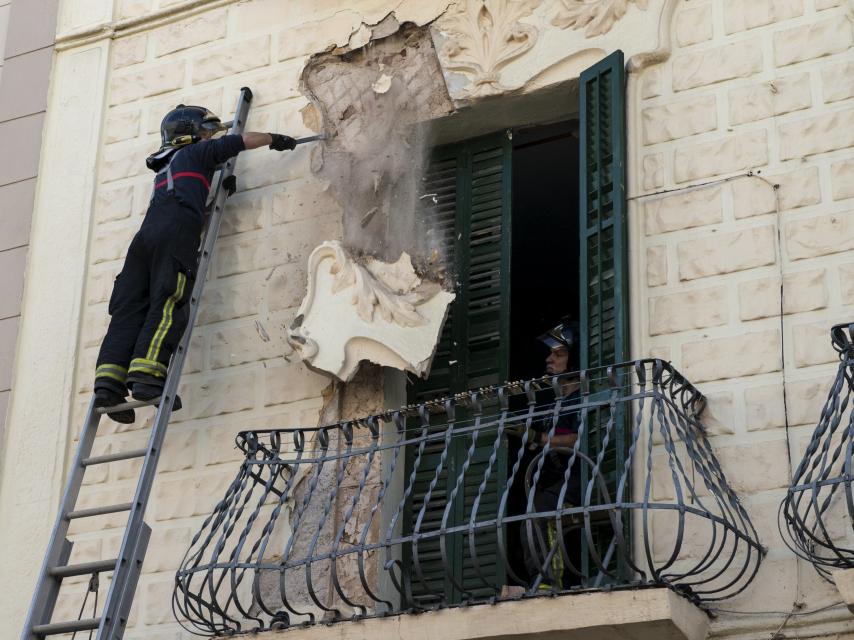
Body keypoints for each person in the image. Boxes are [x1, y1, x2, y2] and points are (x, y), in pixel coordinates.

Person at [94, 104, 298, 423]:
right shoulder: (197, 154)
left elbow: (181, 211)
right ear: (188, 134)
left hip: (144, 240)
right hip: (174, 232)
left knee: (128, 310)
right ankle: (147, 379)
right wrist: (274, 138)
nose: (208, 137)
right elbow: (235, 143)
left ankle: (107, 385)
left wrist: (218, 201)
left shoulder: (166, 168)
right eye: (204, 132)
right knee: (167, 301)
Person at [522, 319, 583, 590]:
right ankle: (544, 580)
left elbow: (581, 438)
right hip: (557, 478)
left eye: (558, 354)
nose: (550, 359)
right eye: (551, 353)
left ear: (575, 360)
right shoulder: (554, 401)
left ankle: (548, 583)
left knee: (542, 510)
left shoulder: (585, 396)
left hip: (582, 477)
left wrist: (543, 439)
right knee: (533, 512)